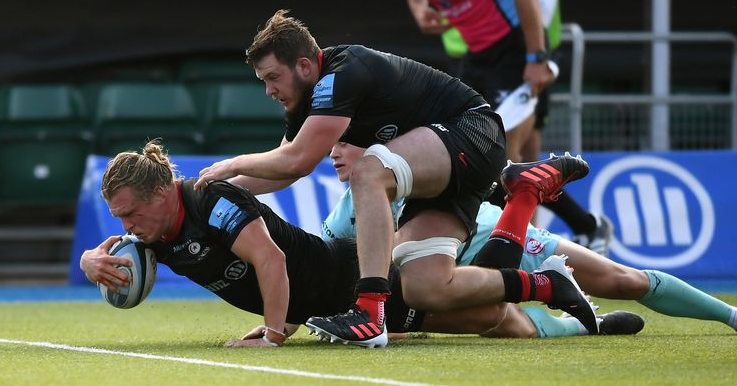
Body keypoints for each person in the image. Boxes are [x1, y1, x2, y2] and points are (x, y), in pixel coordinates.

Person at [193, 10, 596, 347]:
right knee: (426, 288)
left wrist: (228, 166)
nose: (268, 91)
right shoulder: (307, 99)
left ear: (303, 65)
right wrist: (203, 197)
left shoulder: (341, 71)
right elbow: (280, 170)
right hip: (440, 163)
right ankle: (545, 282)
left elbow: (298, 161)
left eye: (271, 78)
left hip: (474, 131)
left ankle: (370, 313)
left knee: (369, 171)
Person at [79, 141, 602, 349]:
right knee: (491, 321)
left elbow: (271, 259)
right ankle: (585, 320)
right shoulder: (155, 228)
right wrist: (89, 260)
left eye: (128, 212)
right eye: (118, 216)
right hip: (326, 305)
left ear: (161, 194)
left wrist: (275, 335)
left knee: (489, 313)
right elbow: (114, 247)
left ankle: (539, 257)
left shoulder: (208, 201)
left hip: (349, 283)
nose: (125, 224)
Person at [325, 141, 737, 335]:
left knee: (622, 280)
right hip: (463, 273)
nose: (334, 154)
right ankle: (585, 323)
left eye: (345, 144)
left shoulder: (415, 162)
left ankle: (731, 317)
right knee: (513, 328)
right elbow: (328, 266)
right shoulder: (343, 212)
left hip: (490, 236)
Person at [391, 0, 612, 257]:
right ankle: (580, 227)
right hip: (477, 56)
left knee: (501, 157)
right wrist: (418, 6)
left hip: (519, 50)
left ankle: (515, 246)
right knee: (506, 154)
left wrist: (537, 57)